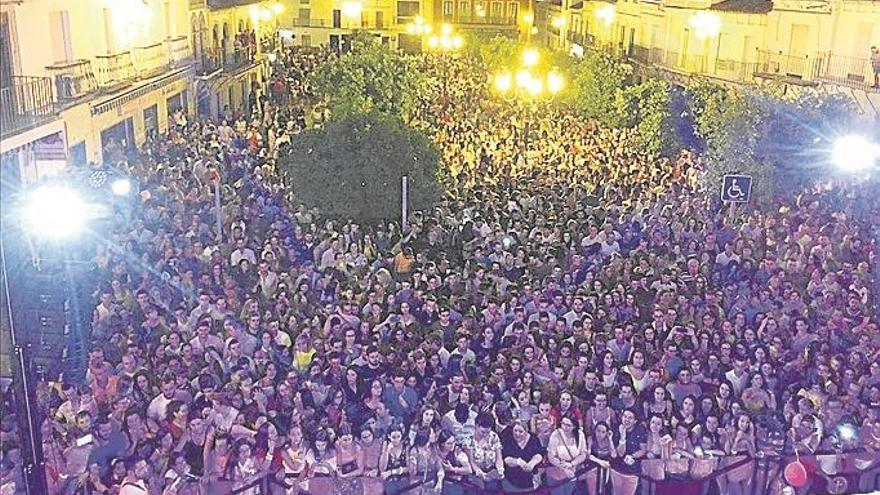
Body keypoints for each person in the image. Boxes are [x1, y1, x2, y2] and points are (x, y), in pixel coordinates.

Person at [501, 420, 544, 493]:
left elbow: (539, 454)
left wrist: (532, 463)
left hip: (531, 478)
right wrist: (518, 462)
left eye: (521, 431)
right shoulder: (508, 438)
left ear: (526, 431)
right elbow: (506, 459)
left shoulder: (533, 438)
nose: (517, 434)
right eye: (515, 431)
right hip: (511, 479)